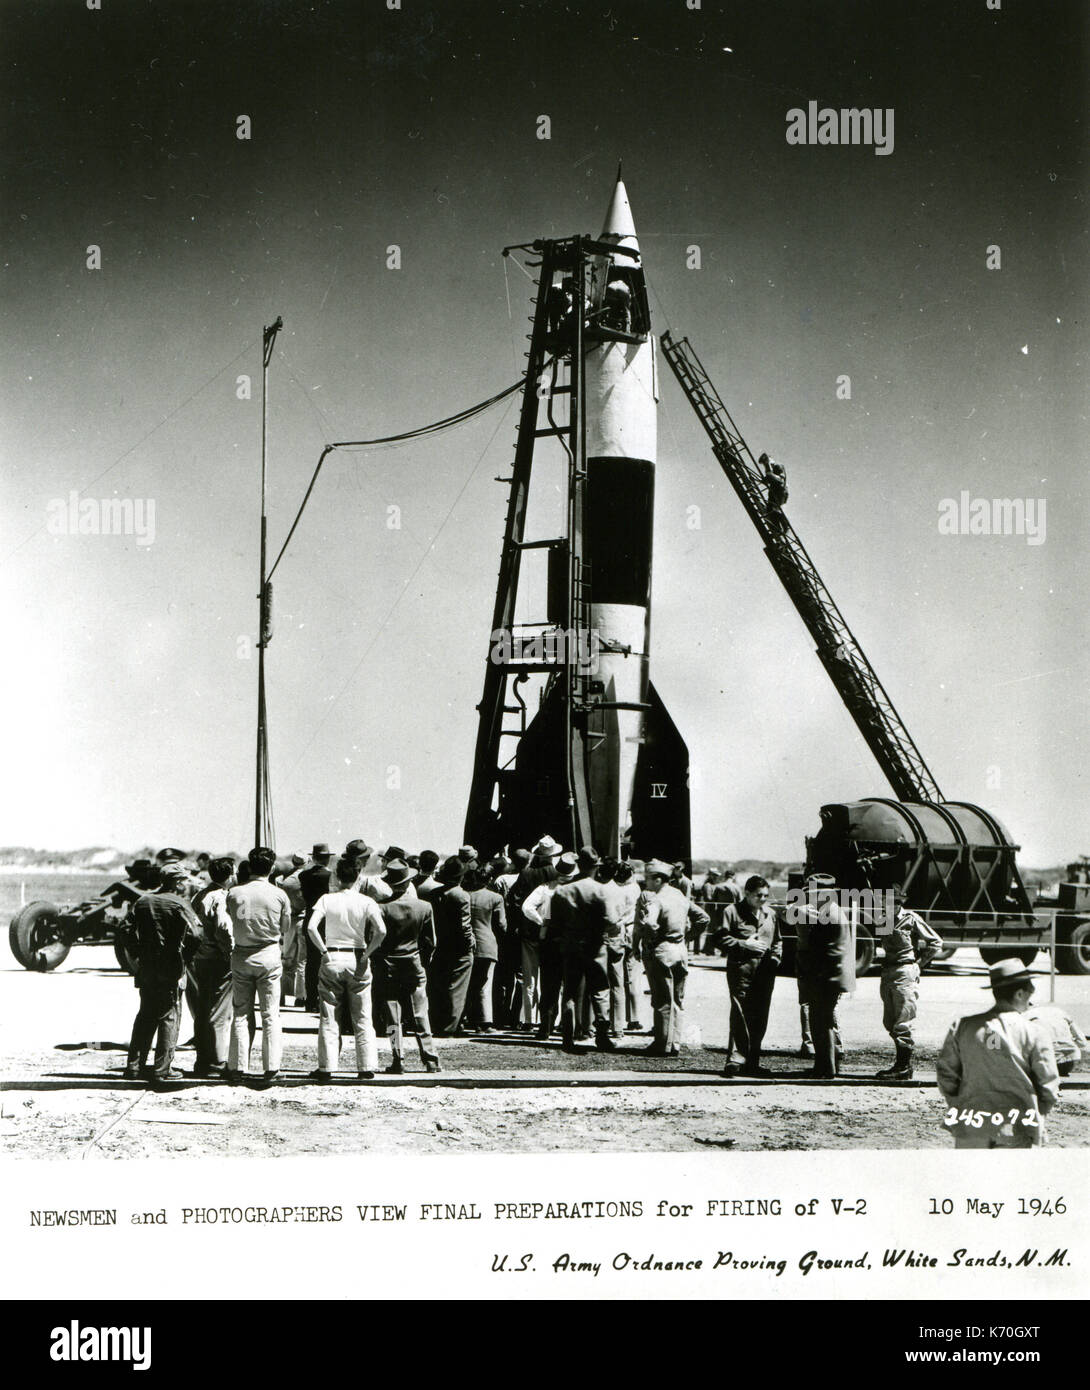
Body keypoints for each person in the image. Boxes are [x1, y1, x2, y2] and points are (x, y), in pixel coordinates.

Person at [936, 960, 1061, 1148]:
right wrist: (1039, 1113)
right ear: (1019, 994)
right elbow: (1048, 1082)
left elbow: (946, 1074)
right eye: (1030, 991)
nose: (1031, 997)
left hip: (971, 1123)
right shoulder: (1035, 1032)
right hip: (1016, 1126)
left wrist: (958, 1102)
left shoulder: (962, 1027)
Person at [306, 856, 386, 1080]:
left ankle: (327, 1067)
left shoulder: (326, 899)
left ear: (337, 876)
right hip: (357, 956)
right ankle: (366, 1066)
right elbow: (381, 931)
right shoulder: (366, 901)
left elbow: (312, 928)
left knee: (329, 1015)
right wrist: (368, 953)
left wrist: (323, 952)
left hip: (332, 955)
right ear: (358, 876)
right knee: (362, 1016)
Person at [123, 861, 202, 1087]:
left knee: (145, 1015)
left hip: (147, 965)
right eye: (184, 880)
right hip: (171, 966)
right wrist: (184, 957)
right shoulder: (180, 903)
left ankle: (134, 1066)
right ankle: (162, 1069)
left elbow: (124, 929)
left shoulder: (143, 901)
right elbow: (196, 935)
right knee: (169, 1015)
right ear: (177, 882)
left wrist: (137, 952)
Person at [225, 846, 290, 1086]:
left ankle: (237, 1067)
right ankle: (271, 1067)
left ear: (249, 867)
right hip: (268, 953)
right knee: (270, 1014)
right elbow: (285, 927)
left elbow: (231, 917)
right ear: (272, 868)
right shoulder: (279, 894)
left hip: (241, 954)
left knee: (241, 1012)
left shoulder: (234, 892)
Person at [377, 858, 440, 1073]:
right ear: (408, 881)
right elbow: (431, 942)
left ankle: (398, 1059)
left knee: (393, 1014)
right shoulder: (424, 907)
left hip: (389, 965)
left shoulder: (382, 908)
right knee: (421, 1012)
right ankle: (430, 1059)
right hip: (414, 963)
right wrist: (424, 961)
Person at [634, 860, 702, 1057]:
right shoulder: (679, 896)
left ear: (657, 879)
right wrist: (688, 937)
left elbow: (650, 924)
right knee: (677, 1000)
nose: (645, 882)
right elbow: (703, 918)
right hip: (680, 950)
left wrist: (649, 940)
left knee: (662, 999)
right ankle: (675, 1044)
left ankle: (662, 1044)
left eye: (647, 878)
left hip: (662, 951)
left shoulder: (656, 899)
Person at [552, 847, 616, 1053]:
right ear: (595, 867)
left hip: (571, 945)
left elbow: (555, 922)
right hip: (596, 945)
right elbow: (612, 921)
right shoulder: (601, 890)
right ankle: (602, 1034)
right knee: (600, 990)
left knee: (569, 990)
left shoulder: (562, 890)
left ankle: (568, 1036)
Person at [874, 888, 942, 1079]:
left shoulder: (911, 918)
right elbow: (884, 945)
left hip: (905, 971)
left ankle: (904, 1067)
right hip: (888, 971)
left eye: (894, 901)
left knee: (903, 1019)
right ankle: (900, 1064)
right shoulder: (883, 918)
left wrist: (919, 964)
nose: (889, 905)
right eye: (886, 901)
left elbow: (936, 942)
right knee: (890, 1020)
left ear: (900, 903)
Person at [718, 875, 781, 1077]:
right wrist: (743, 944)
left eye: (765, 895)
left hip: (765, 973)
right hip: (741, 970)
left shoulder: (770, 914)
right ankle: (735, 1059)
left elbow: (778, 941)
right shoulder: (732, 912)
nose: (762, 899)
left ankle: (753, 1062)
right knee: (740, 1013)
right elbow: (719, 938)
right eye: (757, 895)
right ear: (746, 893)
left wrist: (775, 959)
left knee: (760, 1016)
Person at [794, 874, 853, 1079]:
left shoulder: (827, 913)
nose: (808, 897)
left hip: (825, 977)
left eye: (812, 893)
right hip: (830, 976)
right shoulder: (831, 910)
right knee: (822, 1020)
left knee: (821, 1021)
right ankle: (826, 1065)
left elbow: (824, 950)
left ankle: (825, 1069)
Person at [187, 857, 238, 1078]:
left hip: (201, 957)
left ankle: (203, 1058)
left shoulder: (199, 895)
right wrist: (230, 953)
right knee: (220, 1011)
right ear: (230, 875)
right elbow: (224, 928)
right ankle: (217, 1062)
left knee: (202, 1009)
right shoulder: (221, 898)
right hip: (218, 959)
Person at [523, 852, 574, 1037]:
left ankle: (546, 1025)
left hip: (549, 938)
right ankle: (568, 1026)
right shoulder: (575, 890)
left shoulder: (545, 888)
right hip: (570, 939)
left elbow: (527, 907)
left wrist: (541, 920)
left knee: (549, 984)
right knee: (568, 985)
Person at [428, 856, 475, 1035]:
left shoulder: (435, 894)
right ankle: (450, 1026)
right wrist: (470, 942)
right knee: (457, 987)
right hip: (459, 947)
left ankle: (438, 1023)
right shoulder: (461, 895)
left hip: (441, 945)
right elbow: (465, 925)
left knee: (441, 984)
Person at [464, 865, 505, 1031]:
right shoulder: (496, 898)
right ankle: (484, 1022)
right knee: (484, 984)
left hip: (467, 944)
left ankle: (466, 1018)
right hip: (487, 943)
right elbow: (501, 924)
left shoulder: (465, 895)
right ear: (489, 879)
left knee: (468, 983)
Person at [299, 843, 334, 1012]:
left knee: (311, 962)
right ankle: (324, 997)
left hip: (309, 918)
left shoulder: (304, 875)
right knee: (327, 960)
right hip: (326, 921)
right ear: (328, 858)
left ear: (313, 857)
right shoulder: (330, 876)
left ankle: (310, 999)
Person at [611, 861, 645, 1033]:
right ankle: (634, 1017)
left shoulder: (614, 889)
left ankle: (616, 1019)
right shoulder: (636, 888)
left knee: (616, 976)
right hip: (632, 929)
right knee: (633, 975)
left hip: (617, 930)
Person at [277, 854, 307, 1006]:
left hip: (289, 921)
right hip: (304, 919)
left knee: (287, 958)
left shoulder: (285, 882)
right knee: (303, 960)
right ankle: (301, 996)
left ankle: (283, 994)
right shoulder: (308, 878)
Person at [1025, 1001, 1087, 1076]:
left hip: (1045, 1063)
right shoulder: (1059, 1011)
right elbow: (1082, 1041)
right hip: (1068, 1062)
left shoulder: (1025, 1016)